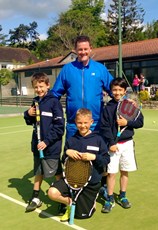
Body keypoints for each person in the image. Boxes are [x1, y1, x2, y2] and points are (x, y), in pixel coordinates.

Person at [48, 108, 110, 221]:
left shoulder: (98, 140)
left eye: (85, 123)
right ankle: (69, 203)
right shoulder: (71, 140)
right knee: (52, 193)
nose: (82, 126)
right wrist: (67, 152)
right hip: (71, 180)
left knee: (84, 216)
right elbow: (64, 160)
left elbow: (106, 159)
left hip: (90, 183)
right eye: (79, 123)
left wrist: (94, 157)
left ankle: (91, 201)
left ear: (91, 122)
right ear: (75, 122)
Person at [51, 35, 114, 139]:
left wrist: (126, 102)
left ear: (90, 49)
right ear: (75, 50)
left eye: (85, 49)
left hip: (95, 123)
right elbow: (55, 94)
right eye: (80, 49)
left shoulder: (100, 69)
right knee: (72, 154)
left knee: (95, 155)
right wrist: (42, 103)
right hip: (74, 124)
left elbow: (114, 90)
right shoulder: (67, 69)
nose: (83, 52)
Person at [100, 77, 144, 213]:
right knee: (111, 173)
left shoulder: (130, 105)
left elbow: (140, 122)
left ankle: (123, 196)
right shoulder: (108, 108)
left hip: (127, 144)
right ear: (110, 91)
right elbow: (104, 127)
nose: (117, 92)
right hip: (113, 146)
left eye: (120, 90)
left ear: (125, 91)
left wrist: (127, 123)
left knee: (124, 171)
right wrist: (111, 143)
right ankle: (110, 198)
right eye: (114, 90)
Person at [24, 72, 65, 212]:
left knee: (57, 172)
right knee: (39, 170)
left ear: (48, 85)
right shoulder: (35, 101)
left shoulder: (54, 102)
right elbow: (31, 122)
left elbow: (60, 127)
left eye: (41, 86)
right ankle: (35, 197)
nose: (39, 89)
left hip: (51, 147)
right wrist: (27, 114)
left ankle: (63, 197)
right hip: (37, 146)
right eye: (36, 87)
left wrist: (47, 142)